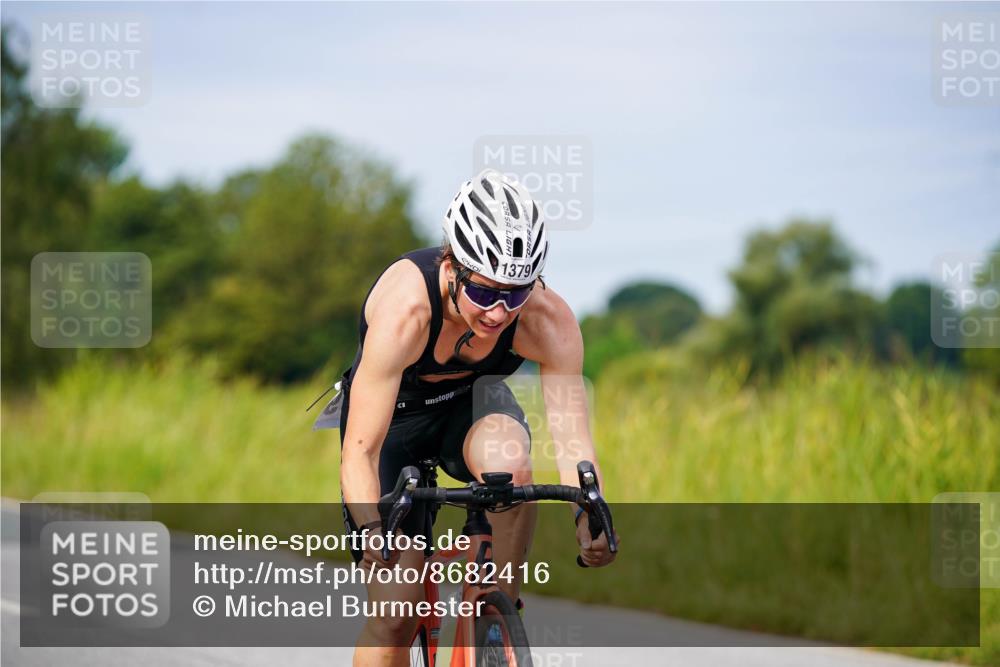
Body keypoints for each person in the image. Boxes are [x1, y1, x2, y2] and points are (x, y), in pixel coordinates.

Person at [328, 168, 617, 667]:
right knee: (395, 613)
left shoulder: (548, 321)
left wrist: (588, 514)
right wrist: (371, 529)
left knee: (513, 464)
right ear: (451, 265)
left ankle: (495, 619)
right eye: (484, 292)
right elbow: (360, 451)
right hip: (392, 422)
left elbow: (572, 443)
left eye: (517, 292)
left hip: (472, 405)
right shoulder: (407, 312)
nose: (499, 313)